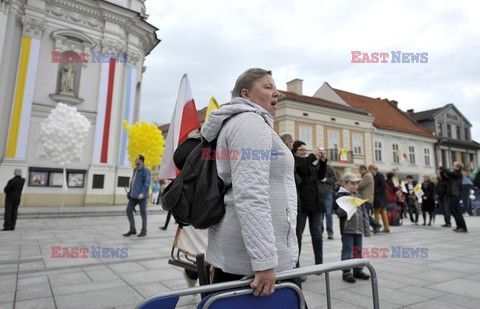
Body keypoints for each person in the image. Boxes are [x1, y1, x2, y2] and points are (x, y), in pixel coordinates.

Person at [200, 68, 299, 297]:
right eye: (268, 87)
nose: (277, 93)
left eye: (275, 88)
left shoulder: (243, 122)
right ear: (246, 94)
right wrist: (264, 261)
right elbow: (250, 193)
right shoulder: (250, 123)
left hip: (244, 256)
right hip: (255, 265)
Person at [293, 141, 327, 268]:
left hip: (315, 204)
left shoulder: (309, 162)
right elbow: (301, 170)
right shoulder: (294, 162)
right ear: (295, 151)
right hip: (302, 205)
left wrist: (323, 161)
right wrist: (312, 156)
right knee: (298, 235)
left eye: (305, 150)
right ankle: (296, 266)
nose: (304, 152)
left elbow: (321, 176)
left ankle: (319, 263)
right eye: (301, 150)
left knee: (317, 234)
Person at [334, 173, 371, 283]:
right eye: (352, 183)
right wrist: (348, 206)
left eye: (356, 183)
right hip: (347, 229)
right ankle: (346, 271)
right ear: (344, 183)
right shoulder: (340, 196)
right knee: (347, 251)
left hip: (359, 229)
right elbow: (338, 212)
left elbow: (364, 214)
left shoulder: (358, 196)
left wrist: (367, 229)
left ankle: (358, 270)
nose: (354, 186)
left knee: (358, 251)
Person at [123, 155, 150, 237]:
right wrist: (130, 192)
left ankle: (144, 231)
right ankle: (132, 229)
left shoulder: (145, 170)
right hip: (133, 196)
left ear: (141, 161)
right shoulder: (135, 170)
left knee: (143, 213)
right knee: (128, 210)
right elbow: (133, 183)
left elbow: (147, 183)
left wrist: (143, 193)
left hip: (141, 196)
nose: (135, 160)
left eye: (136, 159)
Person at [440, 162, 467, 233]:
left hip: (455, 194)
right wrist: (441, 172)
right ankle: (458, 226)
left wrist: (442, 168)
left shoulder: (458, 174)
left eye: (454, 165)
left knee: (457, 212)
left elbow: (449, 173)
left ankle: (463, 227)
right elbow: (445, 178)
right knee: (453, 211)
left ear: (458, 167)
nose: (453, 166)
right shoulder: (454, 174)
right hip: (450, 194)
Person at [358, 165, 382, 234]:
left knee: (365, 214)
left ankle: (376, 225)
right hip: (366, 198)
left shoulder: (367, 176)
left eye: (360, 171)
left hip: (366, 198)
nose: (360, 172)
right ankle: (375, 226)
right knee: (365, 214)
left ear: (363, 170)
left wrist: (354, 185)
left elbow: (360, 186)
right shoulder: (367, 175)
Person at [370, 164, 390, 233]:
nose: (371, 171)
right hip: (378, 197)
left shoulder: (380, 175)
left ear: (375, 169)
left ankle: (377, 226)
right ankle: (386, 227)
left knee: (377, 212)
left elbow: (383, 185)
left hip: (380, 197)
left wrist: (376, 191)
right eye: (370, 170)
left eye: (372, 170)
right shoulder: (373, 176)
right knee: (382, 212)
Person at [320, 161, 337, 240]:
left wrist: (326, 179)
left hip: (328, 192)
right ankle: (320, 231)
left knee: (328, 213)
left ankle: (330, 232)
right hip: (318, 192)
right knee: (320, 213)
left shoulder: (329, 168)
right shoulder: (316, 167)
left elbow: (334, 179)